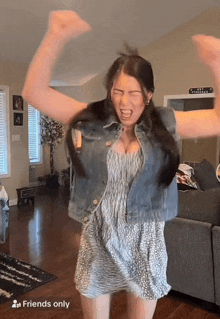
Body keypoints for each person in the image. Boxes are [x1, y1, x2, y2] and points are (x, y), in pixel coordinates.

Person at [22, 11, 220, 319]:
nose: (124, 102)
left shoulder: (165, 123)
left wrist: (215, 63)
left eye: (133, 93)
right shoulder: (93, 119)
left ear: (149, 94)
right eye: (117, 92)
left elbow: (217, 119)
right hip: (98, 239)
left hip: (145, 242)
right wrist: (56, 35)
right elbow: (35, 92)